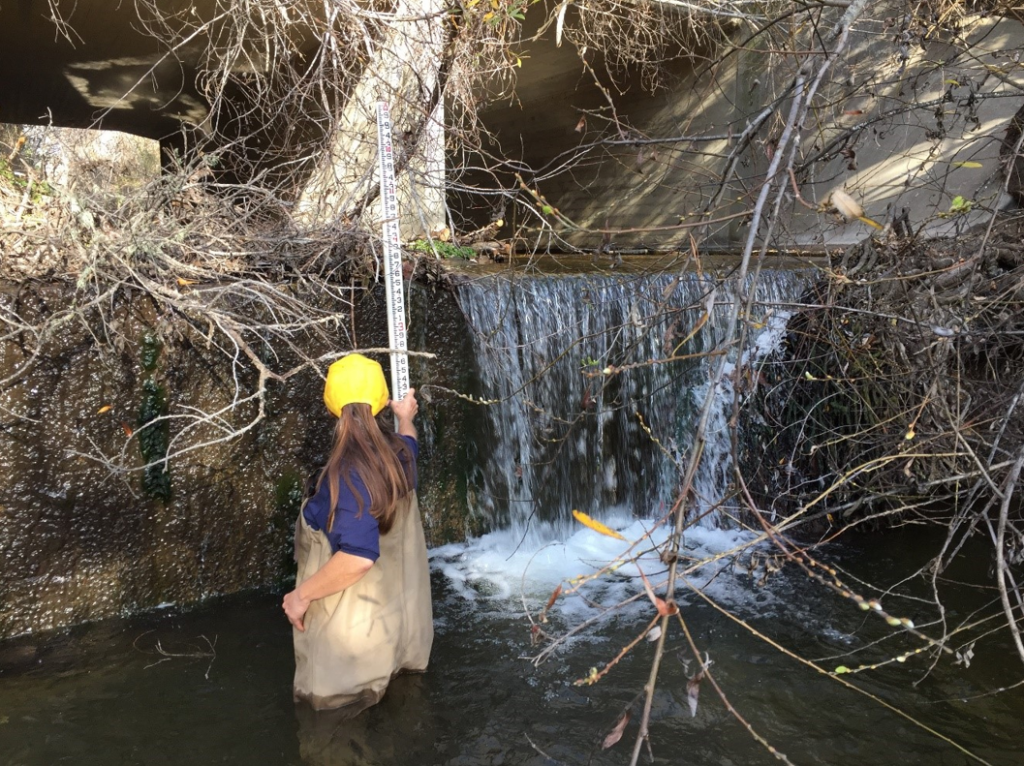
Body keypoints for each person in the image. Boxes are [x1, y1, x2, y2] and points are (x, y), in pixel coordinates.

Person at [282, 353, 433, 715]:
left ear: (331, 404)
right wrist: (406, 419)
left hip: (348, 653)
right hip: (392, 633)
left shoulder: (345, 475)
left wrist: (300, 596)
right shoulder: (400, 456)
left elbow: (359, 557)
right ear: (382, 400)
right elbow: (409, 440)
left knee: (330, 737)